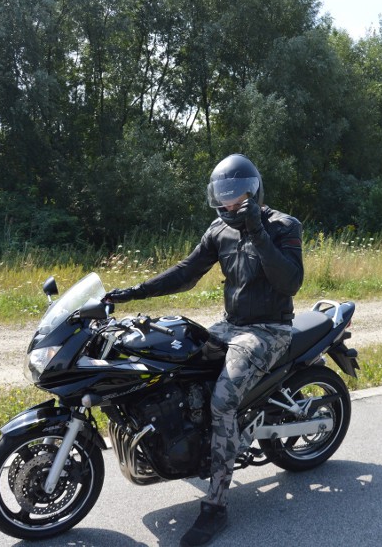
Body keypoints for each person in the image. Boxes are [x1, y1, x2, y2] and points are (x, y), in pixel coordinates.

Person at [105, 153, 304, 546]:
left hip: (269, 329)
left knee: (224, 400)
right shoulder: (219, 230)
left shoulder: (283, 226)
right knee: (177, 367)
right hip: (230, 325)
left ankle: (216, 507)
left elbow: (290, 282)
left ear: (253, 190)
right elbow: (186, 271)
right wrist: (136, 292)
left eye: (237, 194)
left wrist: (257, 232)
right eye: (223, 194)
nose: (230, 202)